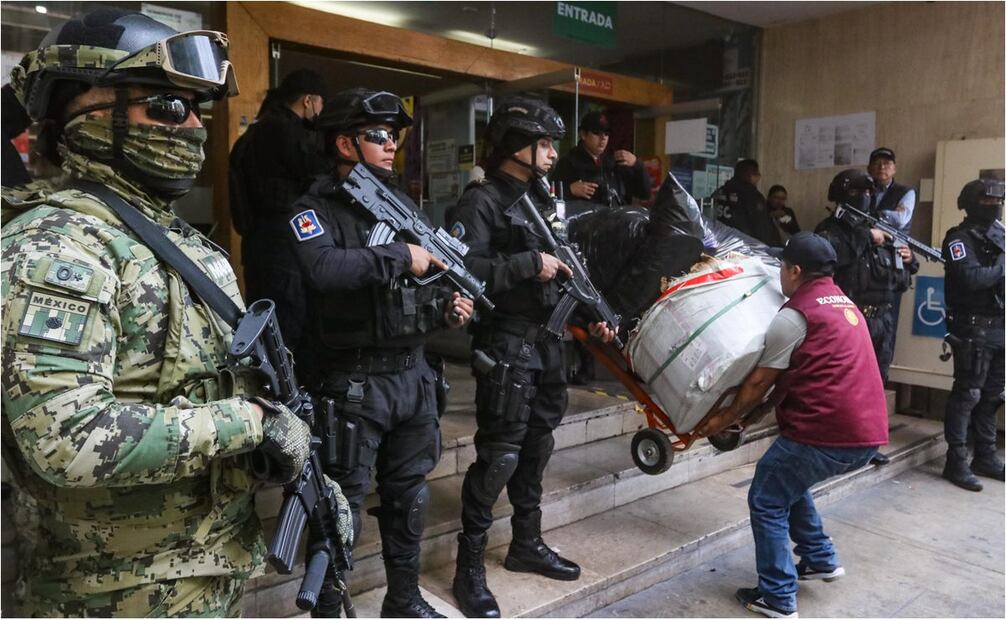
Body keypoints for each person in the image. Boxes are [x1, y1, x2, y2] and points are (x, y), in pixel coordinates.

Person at [0, 9, 347, 616]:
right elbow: (67, 441)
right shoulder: (56, 245)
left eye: (195, 108)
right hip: (115, 595)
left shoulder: (171, 238)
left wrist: (301, 462)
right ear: (79, 112)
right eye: (164, 107)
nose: (190, 126)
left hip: (206, 571)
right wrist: (253, 423)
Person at [286, 87, 473, 618]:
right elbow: (323, 270)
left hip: (412, 377)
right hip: (353, 384)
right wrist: (400, 255)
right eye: (378, 136)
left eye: (395, 137)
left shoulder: (401, 208)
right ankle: (328, 606)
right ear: (344, 142)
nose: (392, 146)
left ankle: (404, 598)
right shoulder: (312, 208)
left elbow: (416, 287)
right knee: (338, 505)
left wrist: (446, 308)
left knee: (410, 494)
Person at [446, 96, 616, 618]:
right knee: (499, 455)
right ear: (515, 145)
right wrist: (525, 263)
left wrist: (594, 315)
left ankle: (525, 544)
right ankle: (468, 568)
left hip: (548, 346)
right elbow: (460, 269)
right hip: (507, 344)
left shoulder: (542, 199)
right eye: (542, 144)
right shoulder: (482, 202)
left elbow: (566, 268)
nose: (550, 154)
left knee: (537, 450)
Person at [698, 231, 889, 619]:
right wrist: (748, 420)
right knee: (787, 479)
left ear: (795, 270)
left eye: (782, 267)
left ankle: (778, 596)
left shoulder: (795, 315)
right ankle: (819, 558)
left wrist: (719, 420)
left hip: (828, 432)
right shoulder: (841, 303)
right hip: (868, 432)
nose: (779, 275)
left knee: (767, 497)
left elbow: (757, 383)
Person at [229, 69, 329, 360]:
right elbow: (316, 178)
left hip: (257, 246)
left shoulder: (254, 133)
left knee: (262, 323)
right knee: (289, 329)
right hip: (286, 247)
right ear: (308, 101)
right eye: (321, 103)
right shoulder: (289, 133)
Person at [815, 169, 917, 383]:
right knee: (845, 382)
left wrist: (908, 258)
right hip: (848, 318)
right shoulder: (830, 229)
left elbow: (901, 277)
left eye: (868, 193)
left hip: (883, 320)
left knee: (877, 382)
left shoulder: (881, 229)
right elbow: (832, 254)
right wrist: (867, 237)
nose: (863, 197)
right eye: (855, 191)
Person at [939, 178, 1005, 491]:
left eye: (998, 202)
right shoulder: (958, 238)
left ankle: (986, 456)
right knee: (968, 395)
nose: (994, 207)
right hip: (972, 327)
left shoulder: (999, 234)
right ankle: (956, 461)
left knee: (993, 395)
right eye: (987, 202)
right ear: (970, 203)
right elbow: (972, 278)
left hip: (1000, 326)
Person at [550, 110, 651, 207]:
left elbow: (644, 194)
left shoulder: (615, 162)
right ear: (583, 134)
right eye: (597, 133)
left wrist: (637, 164)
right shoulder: (568, 163)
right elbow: (549, 196)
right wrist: (569, 190)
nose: (603, 138)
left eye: (607, 134)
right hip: (586, 222)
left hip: (617, 220)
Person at [714, 159, 782, 246]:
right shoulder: (752, 196)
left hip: (720, 242)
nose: (758, 178)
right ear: (751, 175)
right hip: (744, 246)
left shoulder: (722, 191)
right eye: (757, 174)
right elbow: (762, 228)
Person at [867, 147, 915, 234]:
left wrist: (877, 215)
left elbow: (900, 220)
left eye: (887, 163)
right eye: (876, 163)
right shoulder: (863, 190)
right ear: (869, 169)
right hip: (863, 241)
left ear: (894, 169)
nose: (882, 167)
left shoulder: (906, 192)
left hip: (892, 244)